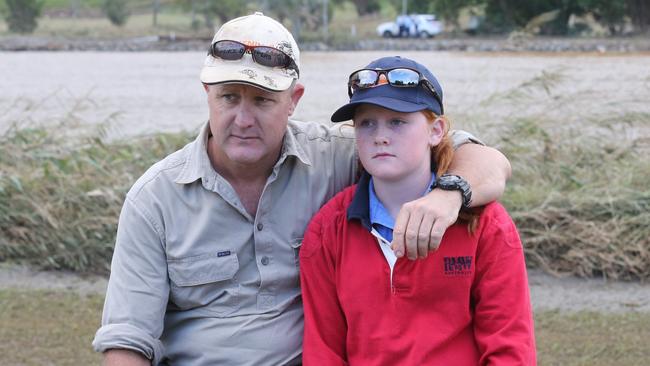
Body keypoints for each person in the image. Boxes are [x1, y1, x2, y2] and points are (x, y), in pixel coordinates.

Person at [92, 12, 512, 366]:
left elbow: (482, 158)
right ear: (207, 94)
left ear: (294, 100)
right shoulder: (154, 198)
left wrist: (448, 194)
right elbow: (127, 340)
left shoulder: (343, 155)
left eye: (262, 100)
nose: (242, 118)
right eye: (229, 98)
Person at [300, 56, 536, 365]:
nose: (380, 135)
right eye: (366, 122)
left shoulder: (485, 223)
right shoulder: (328, 229)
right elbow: (323, 352)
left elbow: (510, 349)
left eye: (398, 121)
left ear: (436, 131)